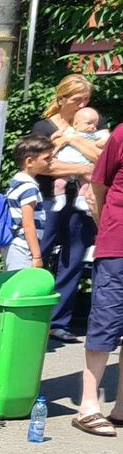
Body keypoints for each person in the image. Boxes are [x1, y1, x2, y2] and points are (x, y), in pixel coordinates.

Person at [29, 75, 104, 337]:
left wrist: (73, 140)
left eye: (86, 98)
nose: (83, 103)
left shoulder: (93, 120)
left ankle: (58, 323)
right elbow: (44, 165)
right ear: (62, 99)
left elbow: (102, 157)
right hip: (49, 198)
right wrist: (83, 166)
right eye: (77, 99)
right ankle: (30, 314)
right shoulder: (44, 126)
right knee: (41, 251)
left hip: (81, 201)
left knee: (72, 258)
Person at [72, 123, 123, 436]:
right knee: (107, 320)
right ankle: (88, 406)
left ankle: (121, 408)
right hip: (118, 243)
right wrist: (107, 223)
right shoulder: (121, 134)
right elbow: (98, 185)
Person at [2, 137, 52, 274]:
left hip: (15, 245)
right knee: (21, 287)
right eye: (47, 158)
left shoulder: (17, 182)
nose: (51, 162)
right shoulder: (29, 187)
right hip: (24, 247)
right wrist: (36, 256)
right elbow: (28, 224)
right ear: (30, 161)